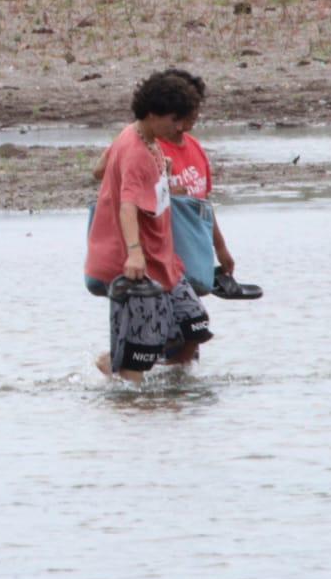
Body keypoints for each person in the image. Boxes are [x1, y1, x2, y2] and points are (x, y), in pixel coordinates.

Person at [86, 71, 213, 382]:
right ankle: (121, 373)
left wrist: (160, 170)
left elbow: (98, 170)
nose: (182, 127)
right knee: (138, 356)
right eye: (176, 120)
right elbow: (127, 205)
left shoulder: (143, 138)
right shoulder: (135, 151)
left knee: (192, 326)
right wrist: (133, 252)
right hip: (133, 264)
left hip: (163, 259)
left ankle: (175, 386)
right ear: (154, 114)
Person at [93, 67, 259, 299]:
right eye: (181, 115)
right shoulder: (140, 143)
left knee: (193, 329)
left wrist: (220, 248)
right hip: (151, 261)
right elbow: (105, 174)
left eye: (192, 112)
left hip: (178, 263)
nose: (186, 122)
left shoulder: (192, 148)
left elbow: (203, 205)